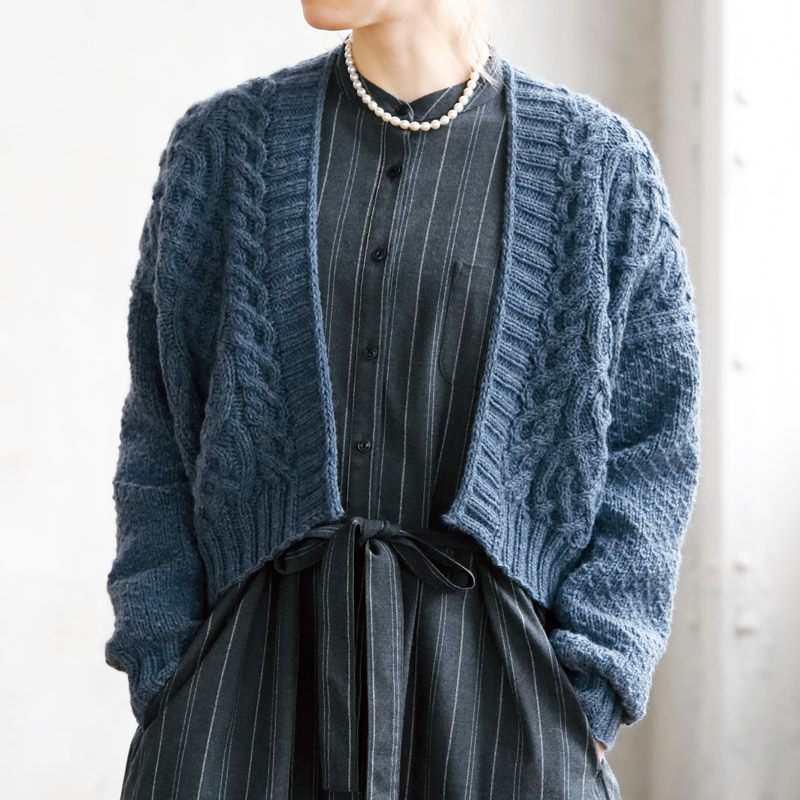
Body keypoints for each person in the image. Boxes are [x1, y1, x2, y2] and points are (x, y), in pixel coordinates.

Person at [103, 0, 701, 797]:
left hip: (502, 698)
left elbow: (654, 443)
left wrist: (595, 685)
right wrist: (164, 664)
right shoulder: (223, 147)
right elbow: (159, 422)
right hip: (250, 688)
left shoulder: (601, 168)